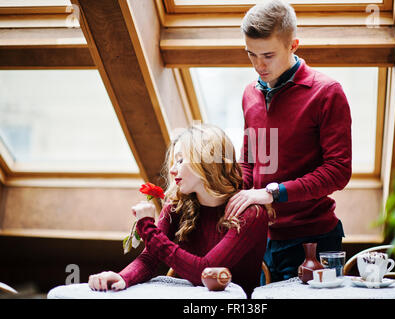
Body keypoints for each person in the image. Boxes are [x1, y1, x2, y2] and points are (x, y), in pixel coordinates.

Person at [224, 0, 352, 284]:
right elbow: (250, 160)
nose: (258, 65)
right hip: (259, 237)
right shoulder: (249, 94)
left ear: (294, 45)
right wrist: (232, 195)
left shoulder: (327, 93)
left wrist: (272, 193)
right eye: (251, 54)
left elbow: (338, 171)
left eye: (268, 55)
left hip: (314, 240)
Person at [88, 124, 272, 297]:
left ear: (207, 163)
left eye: (181, 161)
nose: (173, 170)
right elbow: (149, 259)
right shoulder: (178, 205)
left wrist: (149, 230)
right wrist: (123, 277)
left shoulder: (251, 213)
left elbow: (205, 272)